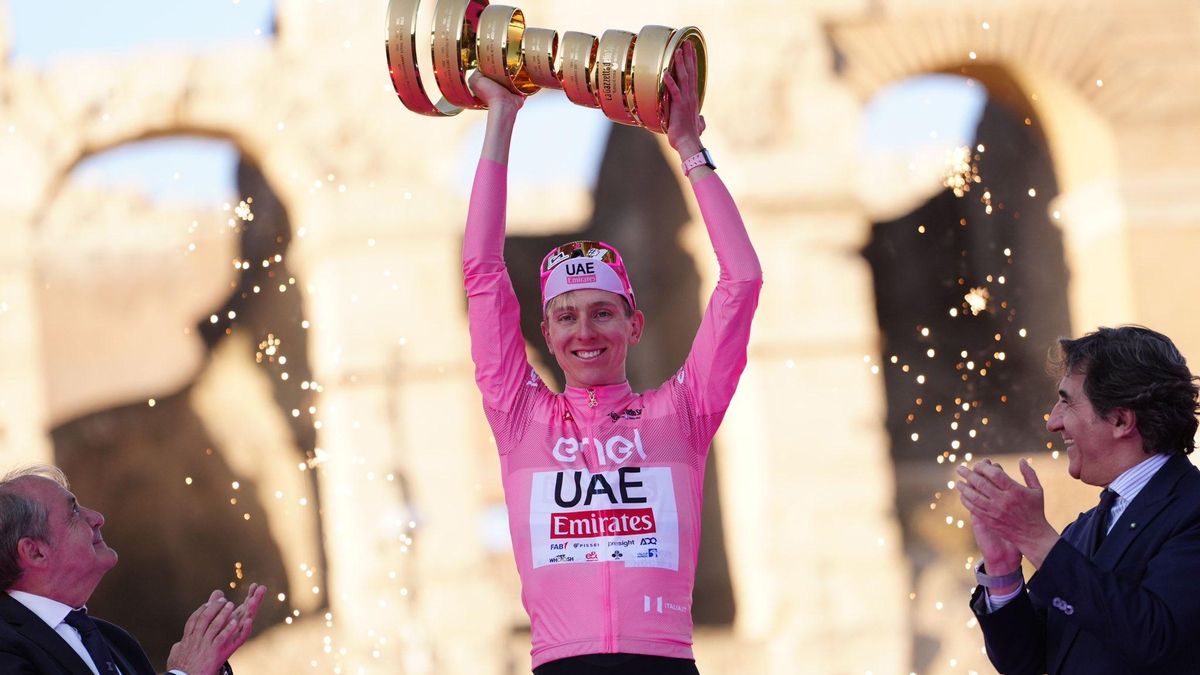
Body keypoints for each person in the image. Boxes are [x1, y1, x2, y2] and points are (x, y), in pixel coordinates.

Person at [462, 41, 761, 675]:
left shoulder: (680, 414)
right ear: (546, 333)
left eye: (602, 312)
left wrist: (690, 148)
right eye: (566, 317)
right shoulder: (520, 416)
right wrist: (501, 119)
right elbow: (483, 273)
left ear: (634, 325)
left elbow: (742, 281)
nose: (584, 331)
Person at [955, 325, 1200, 673]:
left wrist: (1035, 537)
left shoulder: (1192, 509)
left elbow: (1156, 639)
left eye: (1067, 401)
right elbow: (1024, 662)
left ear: (1120, 420)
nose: (1053, 422)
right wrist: (1002, 568)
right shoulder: (1084, 528)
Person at [0, 464, 266, 675]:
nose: (96, 518)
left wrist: (209, 661)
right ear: (34, 552)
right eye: (73, 512)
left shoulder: (115, 641)